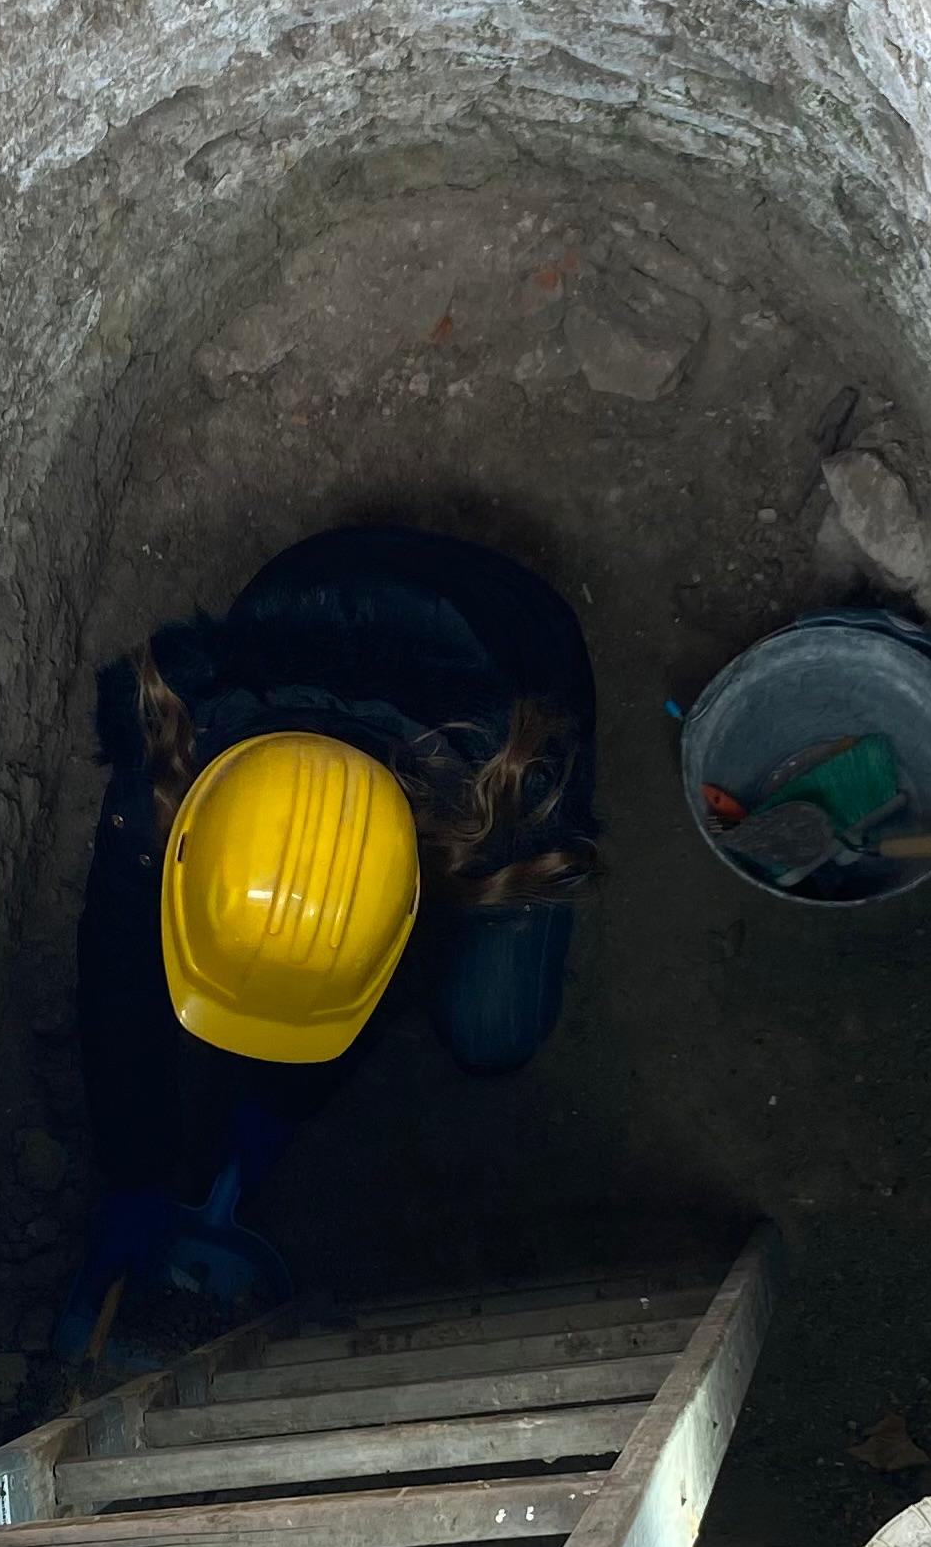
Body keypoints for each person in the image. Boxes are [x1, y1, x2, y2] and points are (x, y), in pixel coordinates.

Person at [58, 525, 599, 1355]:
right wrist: (134, 1168)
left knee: (496, 1032)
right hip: (303, 587)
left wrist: (282, 1101)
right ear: (191, 842)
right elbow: (121, 972)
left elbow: (388, 963)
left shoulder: (505, 789)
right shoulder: (171, 761)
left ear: (413, 884)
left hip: (509, 636)